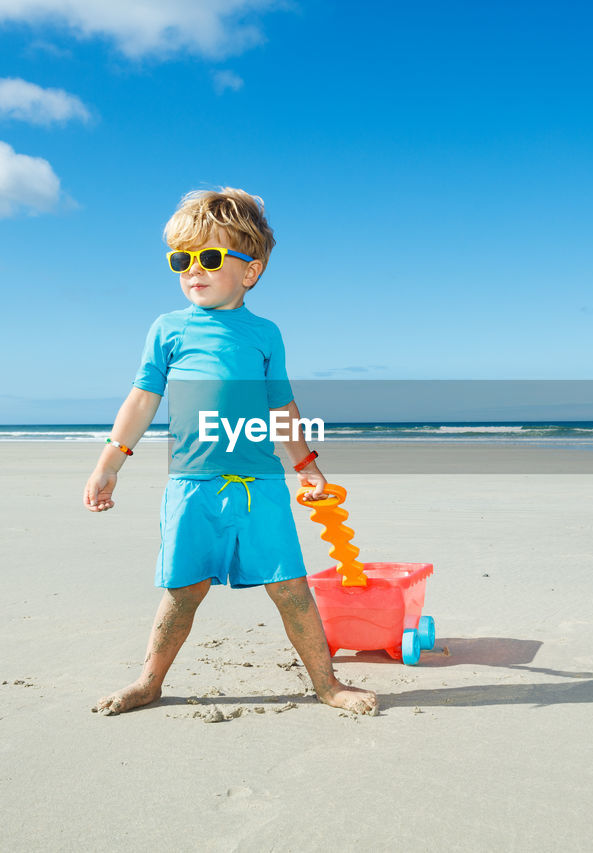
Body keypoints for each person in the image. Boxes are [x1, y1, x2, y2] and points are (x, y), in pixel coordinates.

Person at [85, 187, 377, 716]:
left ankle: (327, 683)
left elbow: (282, 405)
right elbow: (142, 398)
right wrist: (110, 463)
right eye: (182, 259)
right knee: (182, 591)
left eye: (210, 257)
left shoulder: (265, 334)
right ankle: (149, 682)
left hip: (259, 486)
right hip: (193, 485)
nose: (193, 269)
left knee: (292, 590)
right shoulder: (168, 328)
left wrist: (308, 469)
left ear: (251, 271)